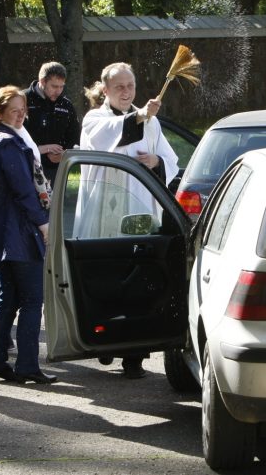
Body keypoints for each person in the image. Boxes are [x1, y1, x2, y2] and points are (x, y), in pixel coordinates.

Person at [79, 62, 179, 379]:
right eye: (119, 87)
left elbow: (171, 160)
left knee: (139, 281)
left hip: (140, 210)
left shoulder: (151, 123)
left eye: (131, 86)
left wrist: (156, 161)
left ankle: (134, 354)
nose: (126, 92)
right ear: (105, 90)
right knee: (109, 279)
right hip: (104, 214)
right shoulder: (95, 119)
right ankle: (107, 343)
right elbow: (110, 136)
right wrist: (139, 116)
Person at [0, 86, 55, 384]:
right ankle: (26, 365)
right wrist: (43, 223)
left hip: (2, 233)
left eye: (24, 110)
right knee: (33, 300)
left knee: (7, 299)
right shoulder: (9, 144)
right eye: (15, 111)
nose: (22, 115)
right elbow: (24, 191)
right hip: (18, 234)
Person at [24, 61, 81, 187]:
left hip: (56, 170)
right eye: (55, 86)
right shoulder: (23, 100)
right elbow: (14, 137)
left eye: (62, 86)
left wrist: (64, 154)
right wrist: (41, 150)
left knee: (54, 206)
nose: (59, 91)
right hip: (26, 167)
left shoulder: (66, 105)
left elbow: (75, 136)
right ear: (42, 81)